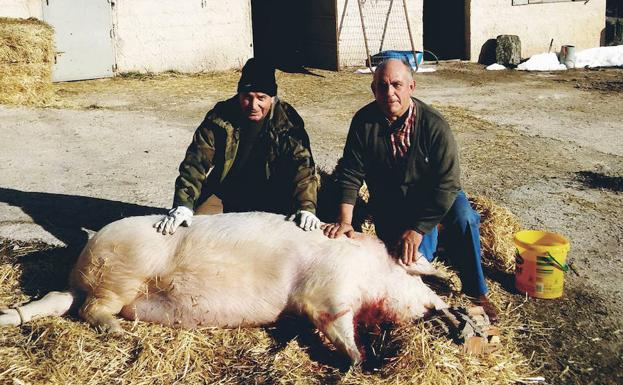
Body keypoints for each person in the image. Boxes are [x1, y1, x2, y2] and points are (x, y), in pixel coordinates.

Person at [322, 58, 498, 322]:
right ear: (374, 90)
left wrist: (418, 229)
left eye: (396, 85)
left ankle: (476, 290)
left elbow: (448, 183)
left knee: (465, 218)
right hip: (392, 202)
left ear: (411, 87)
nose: (389, 93)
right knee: (407, 263)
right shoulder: (364, 122)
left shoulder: (434, 125)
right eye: (382, 86)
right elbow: (350, 173)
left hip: (436, 197)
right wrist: (345, 221)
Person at [154, 58, 320, 234]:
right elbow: (195, 162)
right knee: (194, 230)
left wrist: (306, 208)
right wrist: (183, 205)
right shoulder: (220, 117)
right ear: (239, 94)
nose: (254, 106)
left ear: (272, 98)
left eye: (261, 98)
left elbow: (303, 168)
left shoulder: (287, 121)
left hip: (274, 194)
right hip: (228, 191)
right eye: (247, 97)